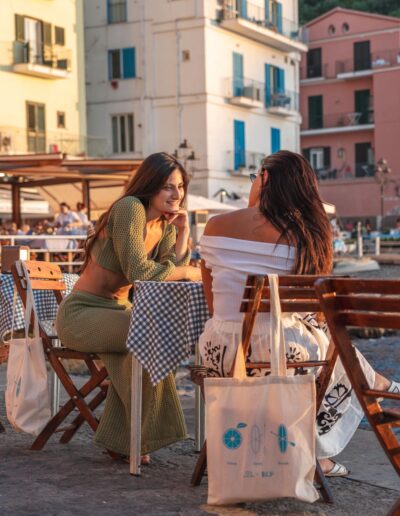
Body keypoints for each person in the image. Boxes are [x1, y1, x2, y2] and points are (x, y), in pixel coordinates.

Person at [198, 150, 399, 478]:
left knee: (328, 345)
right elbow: (315, 312)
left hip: (219, 353)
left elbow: (212, 303)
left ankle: (369, 387)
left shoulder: (216, 225)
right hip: (283, 356)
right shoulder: (305, 237)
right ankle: (318, 452)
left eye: (254, 178)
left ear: (264, 179)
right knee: (333, 350)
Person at [56, 152, 201, 461]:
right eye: (167, 187)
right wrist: (189, 271)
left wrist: (184, 234)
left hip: (121, 314)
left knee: (146, 341)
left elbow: (166, 278)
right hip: (82, 313)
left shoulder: (166, 224)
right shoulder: (129, 208)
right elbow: (141, 274)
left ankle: (124, 439)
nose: (177, 194)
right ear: (149, 186)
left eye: (180, 186)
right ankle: (134, 437)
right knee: (150, 334)